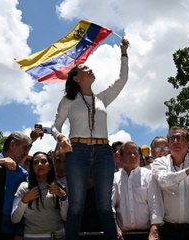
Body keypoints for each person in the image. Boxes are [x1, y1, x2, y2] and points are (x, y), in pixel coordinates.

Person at [50, 38, 130, 240]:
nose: (90, 69)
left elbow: (122, 80)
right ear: (76, 79)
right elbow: (55, 126)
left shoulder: (102, 98)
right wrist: (60, 137)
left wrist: (124, 53)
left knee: (105, 206)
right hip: (77, 151)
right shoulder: (68, 100)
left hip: (104, 152)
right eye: (85, 69)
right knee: (76, 205)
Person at [112, 141, 164, 240]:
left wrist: (154, 230)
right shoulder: (114, 178)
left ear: (139, 156)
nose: (132, 156)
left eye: (135, 153)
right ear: (121, 157)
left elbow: (155, 204)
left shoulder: (149, 175)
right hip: (122, 235)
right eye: (128, 153)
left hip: (148, 234)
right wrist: (115, 227)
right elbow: (110, 206)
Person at [11, 151, 68, 240]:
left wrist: (64, 197)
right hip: (31, 237)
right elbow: (15, 219)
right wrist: (24, 200)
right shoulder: (24, 187)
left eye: (43, 161)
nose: (40, 164)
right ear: (32, 167)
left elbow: (66, 217)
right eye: (35, 162)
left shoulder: (59, 187)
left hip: (57, 236)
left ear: (50, 166)